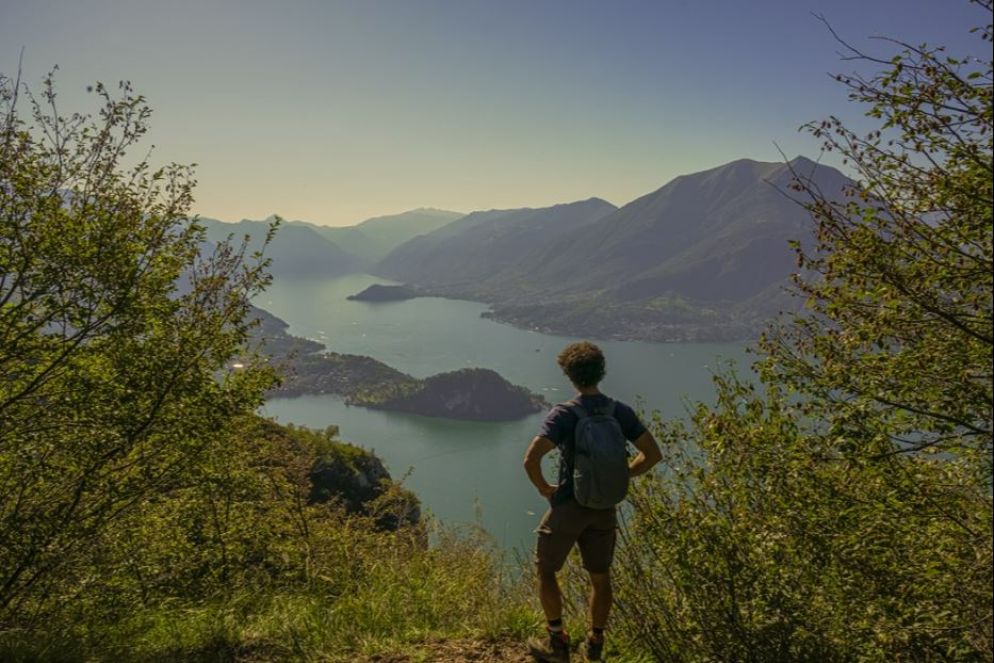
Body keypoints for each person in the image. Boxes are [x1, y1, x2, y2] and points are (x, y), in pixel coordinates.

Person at [523, 341, 662, 662]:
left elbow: (531, 459)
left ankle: (557, 643)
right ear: (601, 371)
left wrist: (545, 489)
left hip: (570, 507)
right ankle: (595, 644)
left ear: (569, 374)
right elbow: (652, 455)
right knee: (600, 577)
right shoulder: (619, 412)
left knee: (546, 569)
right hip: (604, 508)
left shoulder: (565, 414)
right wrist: (620, 475)